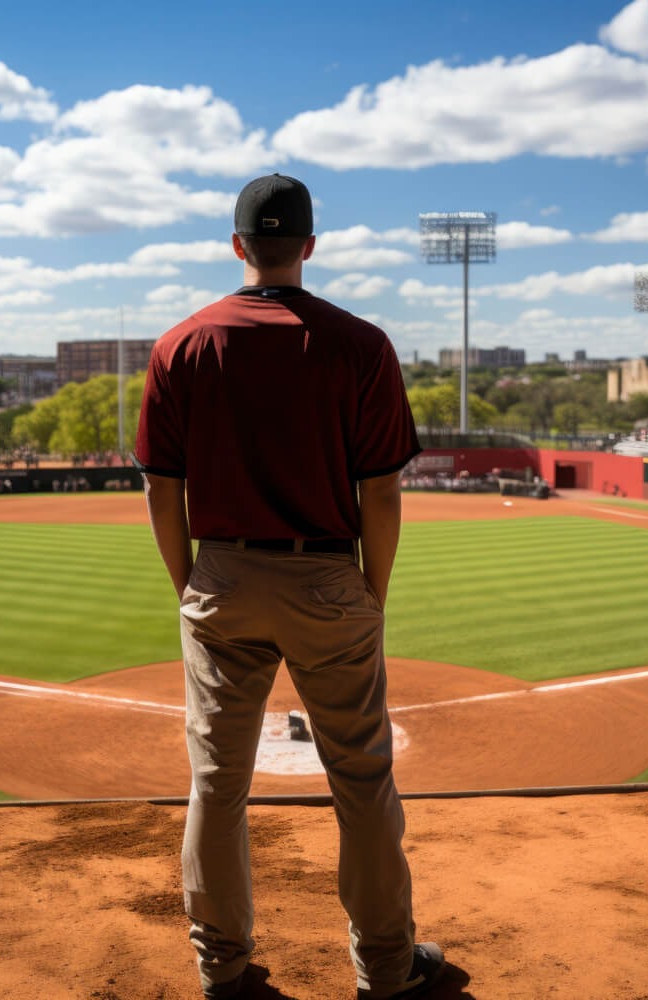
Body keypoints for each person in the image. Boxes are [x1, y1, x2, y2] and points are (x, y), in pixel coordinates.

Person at [134, 173, 442, 1000]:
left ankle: (222, 967)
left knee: (216, 783)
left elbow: (163, 490)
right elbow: (381, 491)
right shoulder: (360, 344)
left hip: (222, 572)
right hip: (329, 575)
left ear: (239, 247)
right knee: (363, 780)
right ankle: (384, 968)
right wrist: (370, 591)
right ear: (308, 246)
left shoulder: (182, 343)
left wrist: (190, 583)